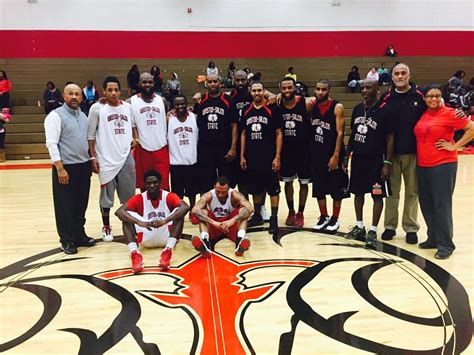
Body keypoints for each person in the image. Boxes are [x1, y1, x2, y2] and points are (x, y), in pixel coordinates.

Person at [414, 85, 474, 259]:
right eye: (430, 96)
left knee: (441, 205)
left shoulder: (450, 113)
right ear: (424, 98)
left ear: (441, 97)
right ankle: (433, 238)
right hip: (423, 165)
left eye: (437, 96)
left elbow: (471, 129)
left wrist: (454, 146)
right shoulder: (424, 114)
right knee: (426, 203)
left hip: (443, 165)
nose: (433, 99)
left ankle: (446, 245)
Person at [44, 84, 94, 254]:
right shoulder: (55, 116)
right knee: (65, 205)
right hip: (66, 168)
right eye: (70, 94)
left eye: (77, 94)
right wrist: (59, 168)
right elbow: (51, 143)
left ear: (81, 97)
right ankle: (66, 240)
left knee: (81, 203)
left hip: (83, 166)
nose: (74, 97)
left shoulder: (83, 116)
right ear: (63, 96)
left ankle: (79, 235)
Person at [344, 79, 394, 249]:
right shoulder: (358, 108)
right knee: (358, 193)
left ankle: (372, 230)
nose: (364, 90)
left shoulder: (385, 111)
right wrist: (346, 156)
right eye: (362, 88)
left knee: (377, 195)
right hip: (358, 159)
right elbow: (353, 134)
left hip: (376, 161)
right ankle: (359, 227)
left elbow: (390, 138)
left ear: (377, 89)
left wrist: (387, 162)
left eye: (368, 87)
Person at [379, 63, 426, 244]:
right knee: (392, 192)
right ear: (392, 77)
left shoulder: (420, 96)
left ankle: (411, 228)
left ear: (409, 75)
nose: (400, 76)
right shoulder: (386, 97)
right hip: (391, 155)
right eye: (396, 74)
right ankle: (390, 226)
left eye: (403, 73)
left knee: (412, 192)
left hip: (413, 153)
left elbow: (435, 111)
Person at [88, 76, 136, 242]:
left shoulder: (128, 108)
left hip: (125, 157)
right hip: (106, 159)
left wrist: (135, 139)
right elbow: (90, 134)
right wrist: (92, 156)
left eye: (116, 89)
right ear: (104, 91)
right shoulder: (97, 108)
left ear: (120, 90)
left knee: (129, 196)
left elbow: (133, 126)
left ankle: (131, 224)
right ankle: (106, 225)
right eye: (110, 90)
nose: (114, 93)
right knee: (106, 197)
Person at [115, 170, 190, 273]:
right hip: (146, 235)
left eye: (155, 182)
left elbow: (185, 207)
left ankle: (167, 251)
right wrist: (139, 222)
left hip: (166, 235)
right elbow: (119, 212)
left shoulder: (168, 196)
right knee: (125, 216)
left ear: (160, 183)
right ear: (144, 185)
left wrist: (165, 220)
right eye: (148, 183)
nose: (152, 185)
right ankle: (135, 253)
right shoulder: (139, 198)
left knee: (179, 212)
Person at [240, 81, 282, 234]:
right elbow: (244, 133)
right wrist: (242, 156)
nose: (257, 93)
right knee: (256, 190)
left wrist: (277, 156)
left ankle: (274, 218)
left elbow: (279, 133)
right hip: (252, 157)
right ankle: (257, 216)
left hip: (269, 156)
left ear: (264, 91)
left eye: (259, 90)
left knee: (273, 190)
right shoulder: (246, 110)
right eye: (254, 91)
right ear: (250, 92)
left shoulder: (272, 109)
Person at [310, 79, 348, 233]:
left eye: (323, 89)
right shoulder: (313, 106)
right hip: (317, 153)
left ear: (329, 90)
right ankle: (323, 216)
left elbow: (340, 133)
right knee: (319, 188)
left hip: (332, 153)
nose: (320, 92)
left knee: (335, 189)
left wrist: (336, 155)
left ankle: (335, 218)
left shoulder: (337, 107)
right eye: (318, 89)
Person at [279, 77, 313, 228]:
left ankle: (300, 212)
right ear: (280, 89)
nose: (287, 91)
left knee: (303, 183)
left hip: (304, 150)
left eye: (289, 88)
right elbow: (266, 94)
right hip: (286, 151)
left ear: (295, 88)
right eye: (284, 88)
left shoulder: (305, 103)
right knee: (288, 182)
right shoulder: (278, 103)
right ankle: (291, 211)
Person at [191, 176, 254, 257]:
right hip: (215, 226)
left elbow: (250, 208)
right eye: (218, 191)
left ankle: (240, 240)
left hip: (230, 226)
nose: (220, 194)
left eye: (223, 192)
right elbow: (194, 210)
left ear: (228, 189)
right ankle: (205, 242)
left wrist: (232, 220)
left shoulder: (235, 194)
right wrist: (213, 222)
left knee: (243, 211)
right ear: (214, 187)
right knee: (202, 212)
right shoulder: (208, 195)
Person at [129, 73, 170, 192]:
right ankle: (146, 209)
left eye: (150, 82)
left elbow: (167, 117)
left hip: (161, 147)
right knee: (145, 185)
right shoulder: (131, 101)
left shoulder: (162, 101)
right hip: (142, 148)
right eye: (144, 82)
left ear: (154, 83)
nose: (147, 84)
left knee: (163, 185)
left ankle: (164, 209)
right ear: (139, 84)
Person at [195, 74, 236, 192]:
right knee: (207, 181)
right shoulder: (201, 100)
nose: (212, 84)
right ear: (206, 83)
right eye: (210, 82)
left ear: (220, 83)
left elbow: (234, 125)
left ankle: (227, 208)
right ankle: (208, 209)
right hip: (206, 147)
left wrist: (233, 148)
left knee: (225, 180)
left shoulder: (228, 101)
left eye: (215, 81)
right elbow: (197, 123)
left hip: (224, 147)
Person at [167, 95, 200, 223]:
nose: (180, 106)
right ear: (173, 106)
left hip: (191, 160)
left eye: (182, 104)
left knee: (192, 191)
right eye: (177, 104)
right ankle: (179, 212)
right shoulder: (169, 119)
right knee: (177, 192)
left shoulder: (193, 117)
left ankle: (193, 210)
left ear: (187, 104)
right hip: (176, 161)